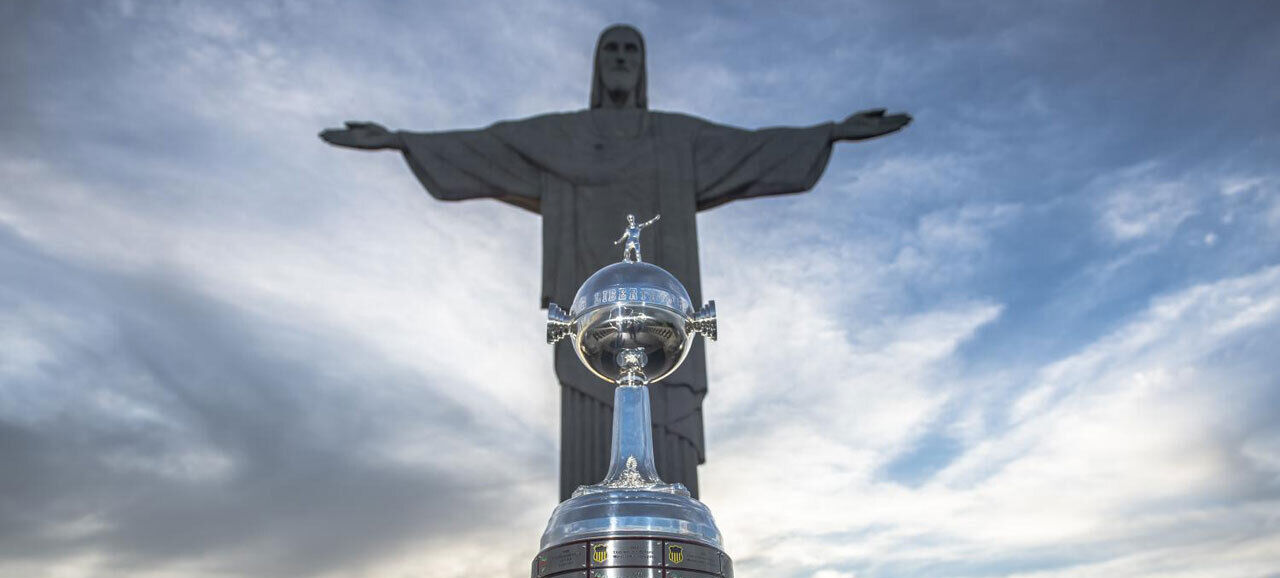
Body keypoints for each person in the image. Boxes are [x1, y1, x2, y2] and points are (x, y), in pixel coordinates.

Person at [321, 25, 910, 500]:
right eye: (612, 49)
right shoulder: (562, 137)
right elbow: (487, 146)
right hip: (588, 324)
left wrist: (831, 133)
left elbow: (753, 147)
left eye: (632, 49)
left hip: (667, 327)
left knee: (669, 460)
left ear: (644, 66)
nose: (622, 58)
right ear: (597, 65)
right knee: (586, 461)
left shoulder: (676, 139)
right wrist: (401, 140)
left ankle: (674, 565)